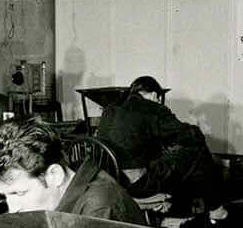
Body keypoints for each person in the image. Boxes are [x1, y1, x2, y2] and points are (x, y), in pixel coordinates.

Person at [94, 76, 227, 219]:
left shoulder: (110, 108)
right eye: (158, 99)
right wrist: (194, 128)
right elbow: (190, 136)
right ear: (154, 95)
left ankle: (176, 212)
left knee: (176, 165)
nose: (158, 102)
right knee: (198, 151)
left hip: (111, 181)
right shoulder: (152, 108)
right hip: (139, 185)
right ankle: (214, 209)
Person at [0, 120, 142, 223]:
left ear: (55, 175)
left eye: (19, 193)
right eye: (6, 195)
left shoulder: (99, 209)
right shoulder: (73, 183)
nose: (12, 209)